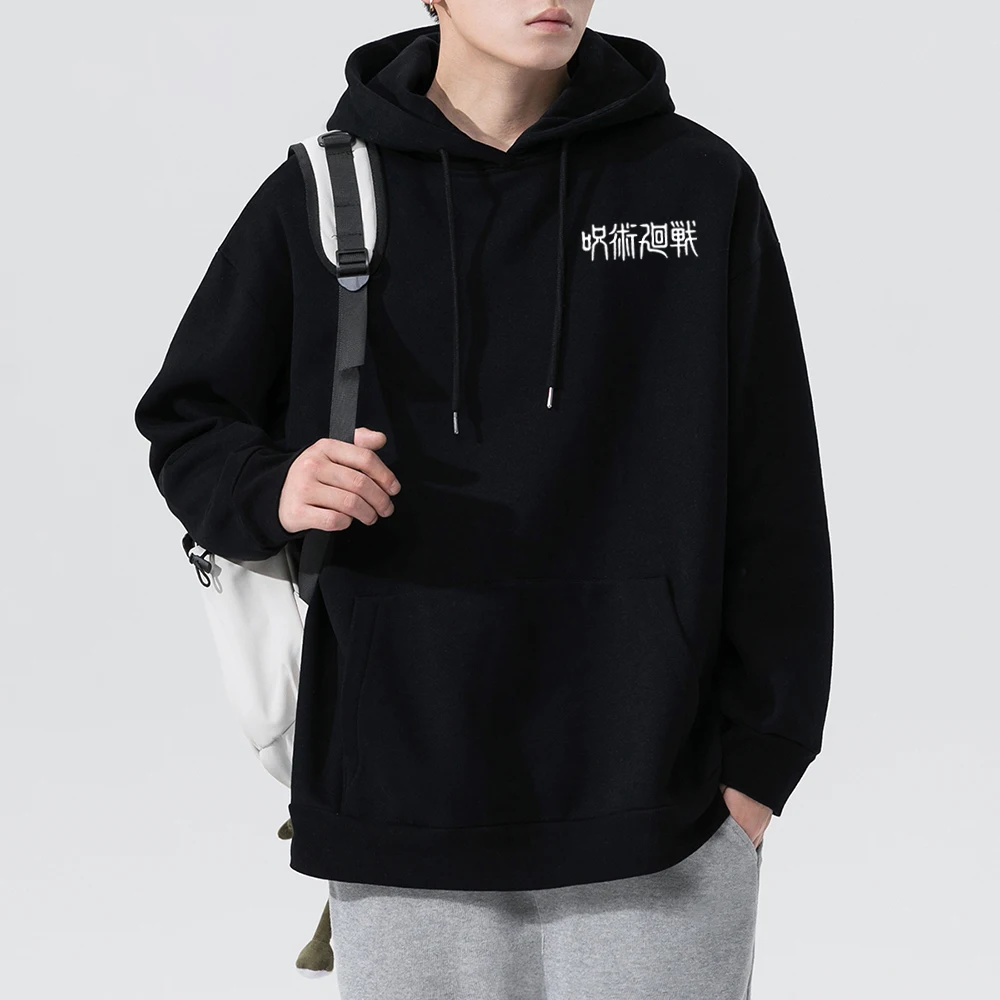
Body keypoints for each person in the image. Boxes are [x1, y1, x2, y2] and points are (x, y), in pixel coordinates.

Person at [134, 1, 834, 996]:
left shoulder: (696, 186)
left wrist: (759, 766)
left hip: (662, 803)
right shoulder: (330, 196)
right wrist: (273, 485)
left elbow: (776, 484)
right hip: (398, 797)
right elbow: (188, 421)